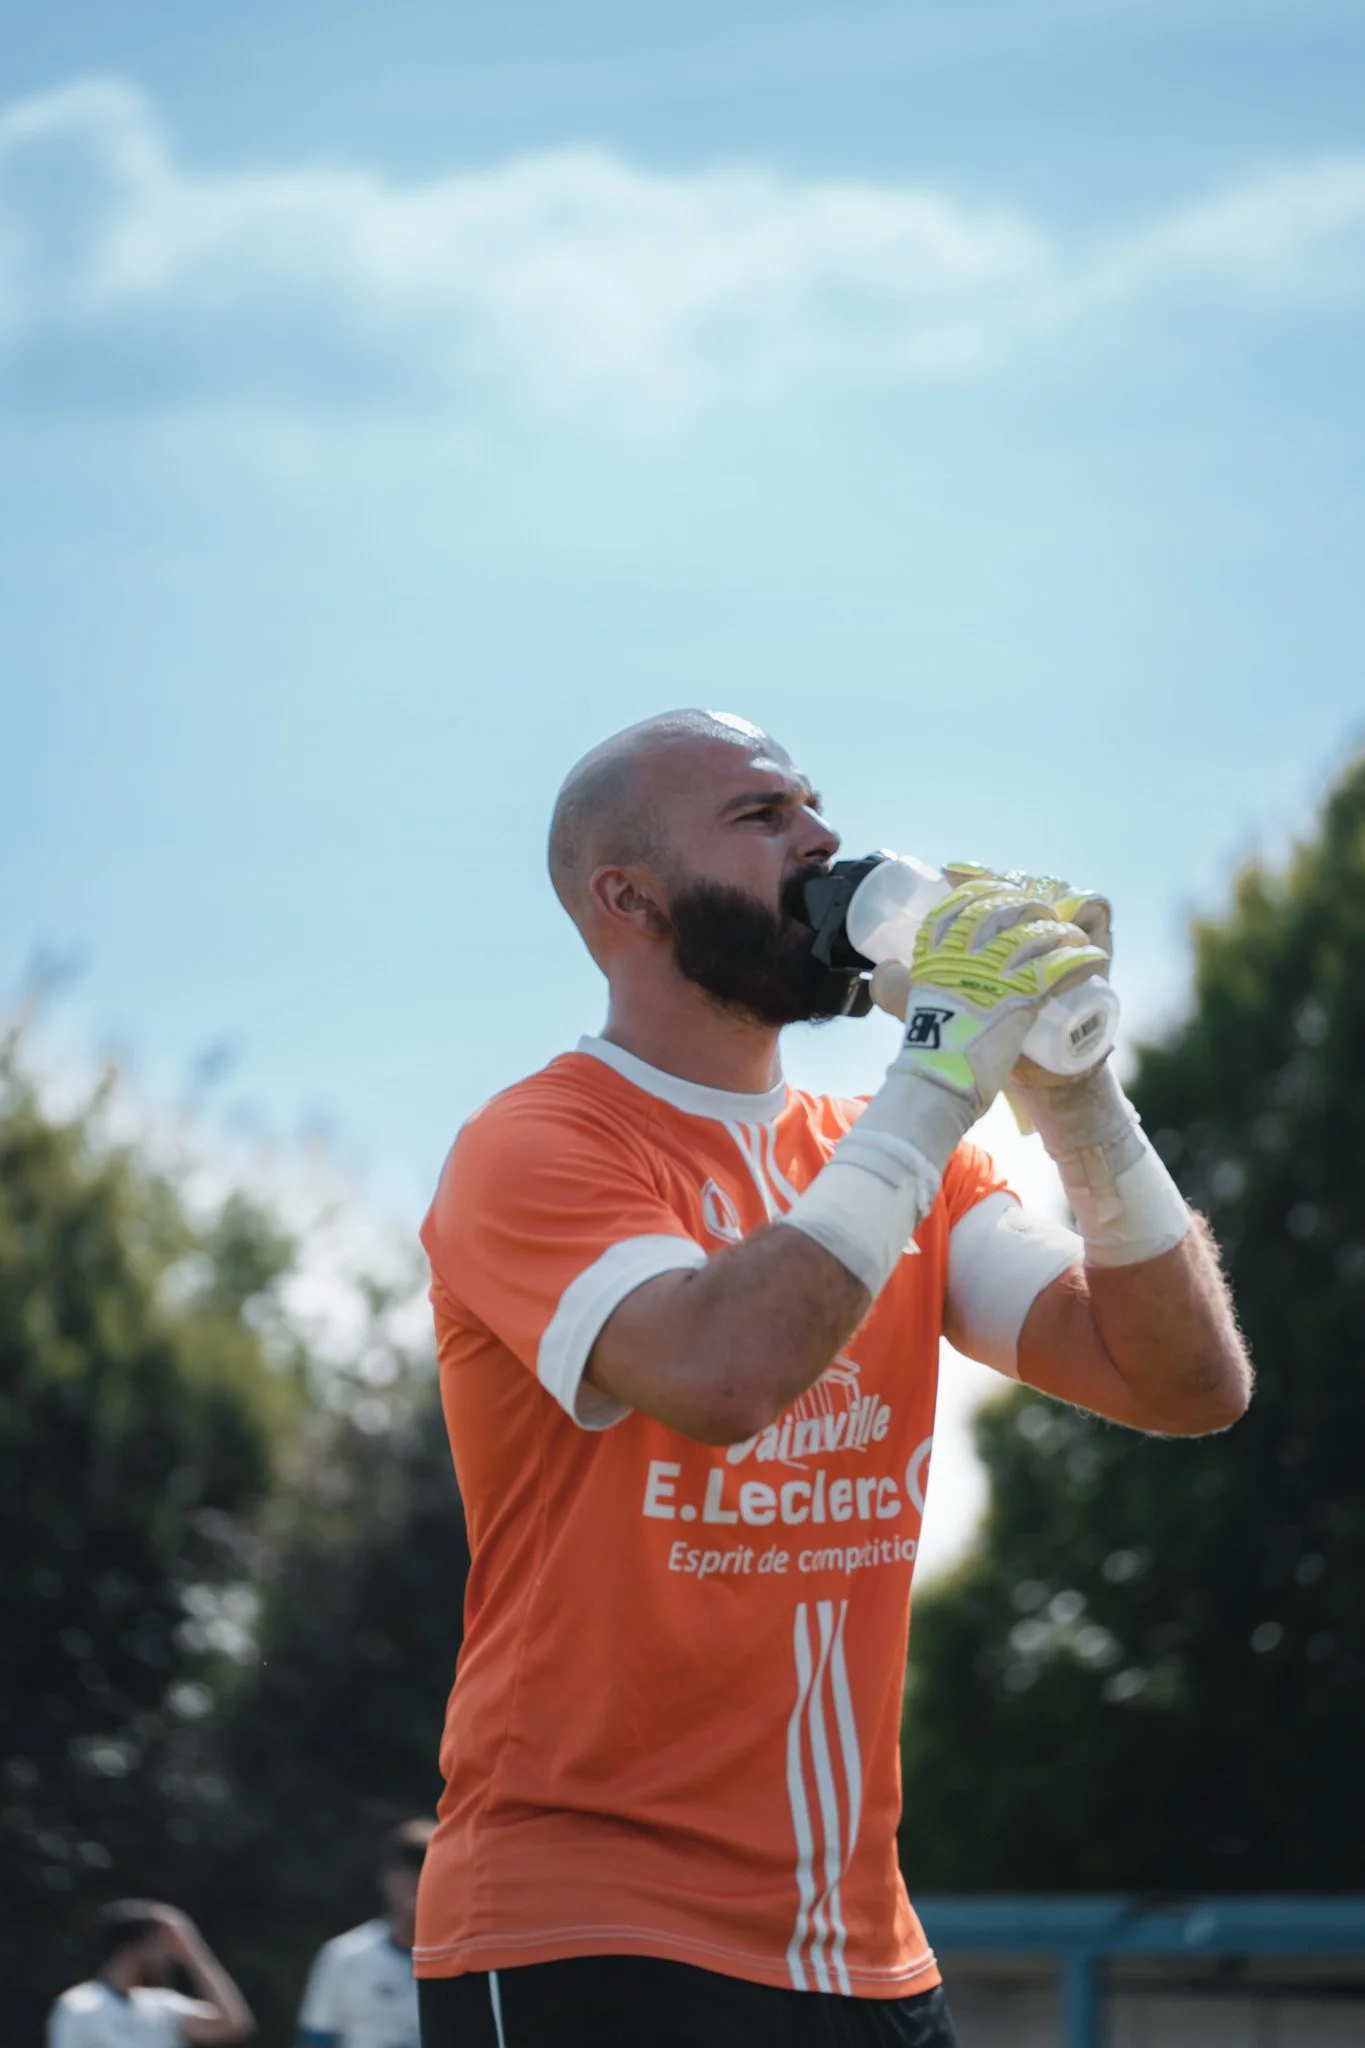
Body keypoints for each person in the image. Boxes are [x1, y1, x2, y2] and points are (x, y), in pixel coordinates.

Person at [415, 710, 1251, 2048]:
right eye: (760, 818)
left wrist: (1075, 1101)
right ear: (626, 897)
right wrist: (935, 1073)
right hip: (593, 1929)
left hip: (864, 1956)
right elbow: (720, 1371)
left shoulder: (885, 1156)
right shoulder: (535, 1144)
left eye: (815, 808)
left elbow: (1182, 1382)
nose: (819, 843)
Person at [296, 1820, 434, 2048]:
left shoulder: (470, 1960)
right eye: (407, 1870)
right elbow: (317, 2038)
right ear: (386, 1878)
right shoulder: (345, 1955)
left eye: (426, 1869)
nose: (416, 1881)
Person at [48, 1901, 254, 2048]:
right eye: (160, 1945)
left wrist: (195, 1952)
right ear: (132, 1948)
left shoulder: (163, 2007)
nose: (168, 1957)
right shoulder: (80, 2006)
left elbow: (234, 2023)